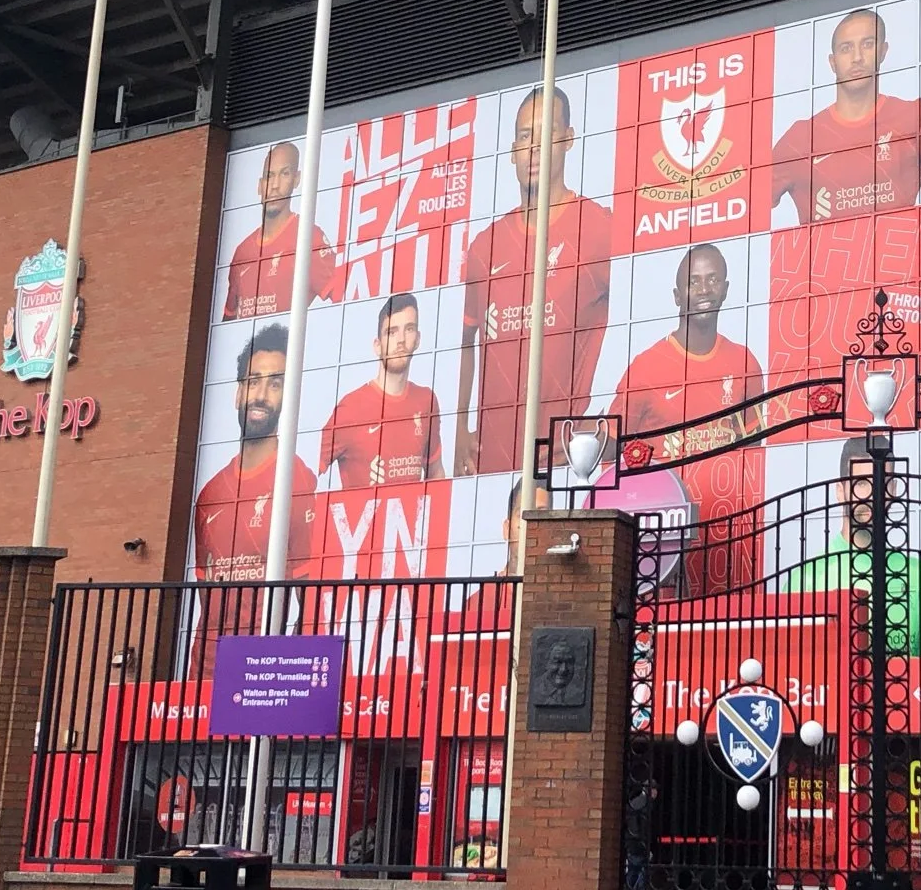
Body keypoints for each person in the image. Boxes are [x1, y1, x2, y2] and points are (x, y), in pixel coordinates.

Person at [454, 86, 615, 479]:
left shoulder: (598, 227)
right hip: (491, 463)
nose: (534, 148)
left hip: (562, 462)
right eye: (525, 136)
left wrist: (602, 427)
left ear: (568, 139)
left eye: (547, 133)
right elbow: (465, 341)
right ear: (512, 151)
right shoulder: (485, 245)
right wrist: (459, 425)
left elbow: (636, 319)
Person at [613, 244, 764, 588]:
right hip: (663, 536)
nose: (704, 289)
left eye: (712, 280)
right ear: (677, 295)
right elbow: (614, 449)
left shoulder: (745, 363)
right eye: (694, 282)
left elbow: (754, 452)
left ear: (725, 289)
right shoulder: (645, 368)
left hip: (727, 530)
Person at [768, 6, 921, 223]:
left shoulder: (915, 117)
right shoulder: (801, 138)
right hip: (824, 247)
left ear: (883, 51)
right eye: (846, 48)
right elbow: (747, 202)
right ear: (832, 62)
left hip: (895, 244)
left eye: (867, 44)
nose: (857, 57)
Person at [191, 323, 331, 586]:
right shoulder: (209, 496)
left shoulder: (299, 483)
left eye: (275, 384)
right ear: (238, 393)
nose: (261, 396)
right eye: (254, 382)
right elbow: (204, 595)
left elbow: (308, 595)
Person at [774, 436, 921, 655]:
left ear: (894, 489)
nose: (872, 495)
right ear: (840, 490)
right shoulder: (807, 577)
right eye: (861, 483)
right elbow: (792, 664)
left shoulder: (917, 573)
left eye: (882, 482)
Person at [318, 293, 444, 491]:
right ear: (377, 345)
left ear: (418, 339)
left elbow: (435, 472)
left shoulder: (426, 400)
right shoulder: (351, 408)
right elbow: (305, 470)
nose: (401, 340)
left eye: (409, 329)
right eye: (391, 332)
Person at [224, 140, 342, 321]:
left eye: (284, 174)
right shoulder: (242, 252)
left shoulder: (307, 237)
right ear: (260, 185)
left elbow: (344, 298)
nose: (275, 185)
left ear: (296, 179)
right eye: (269, 176)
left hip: (287, 338)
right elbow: (228, 319)